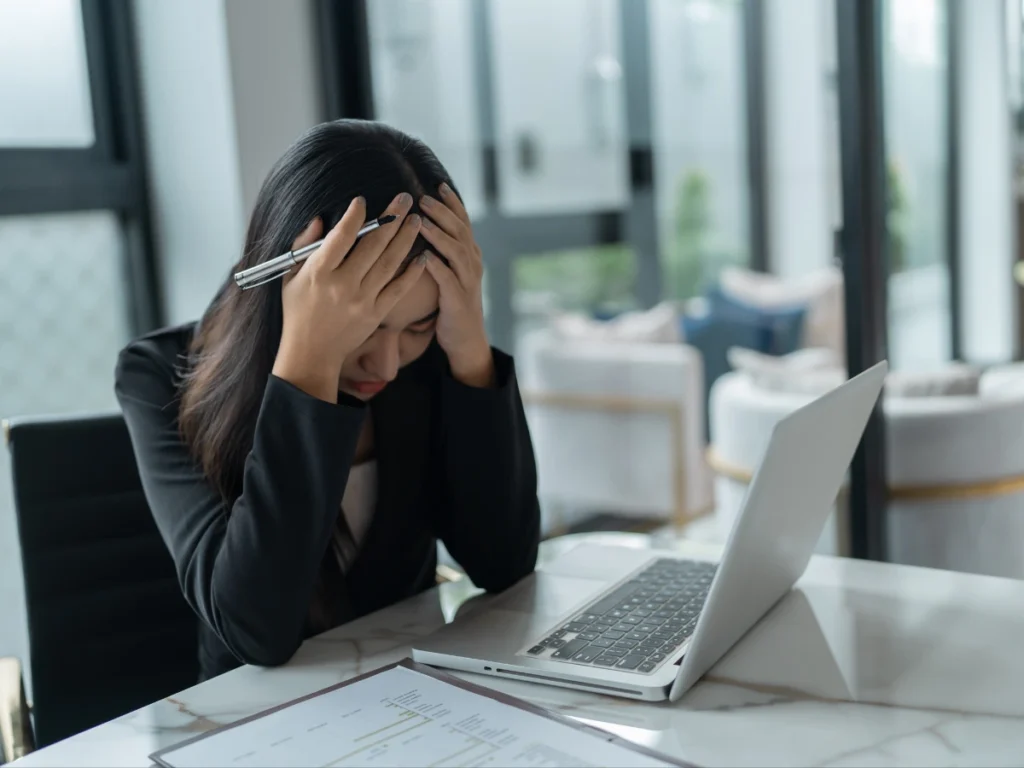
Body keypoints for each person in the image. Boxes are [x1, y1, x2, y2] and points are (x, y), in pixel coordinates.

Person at [115, 120, 541, 680]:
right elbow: (255, 631)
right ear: (290, 289)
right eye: (368, 326)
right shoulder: (157, 376)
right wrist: (307, 361)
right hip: (251, 724)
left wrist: (468, 347)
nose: (387, 364)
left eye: (418, 326)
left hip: (418, 695)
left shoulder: (434, 359)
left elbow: (504, 564)